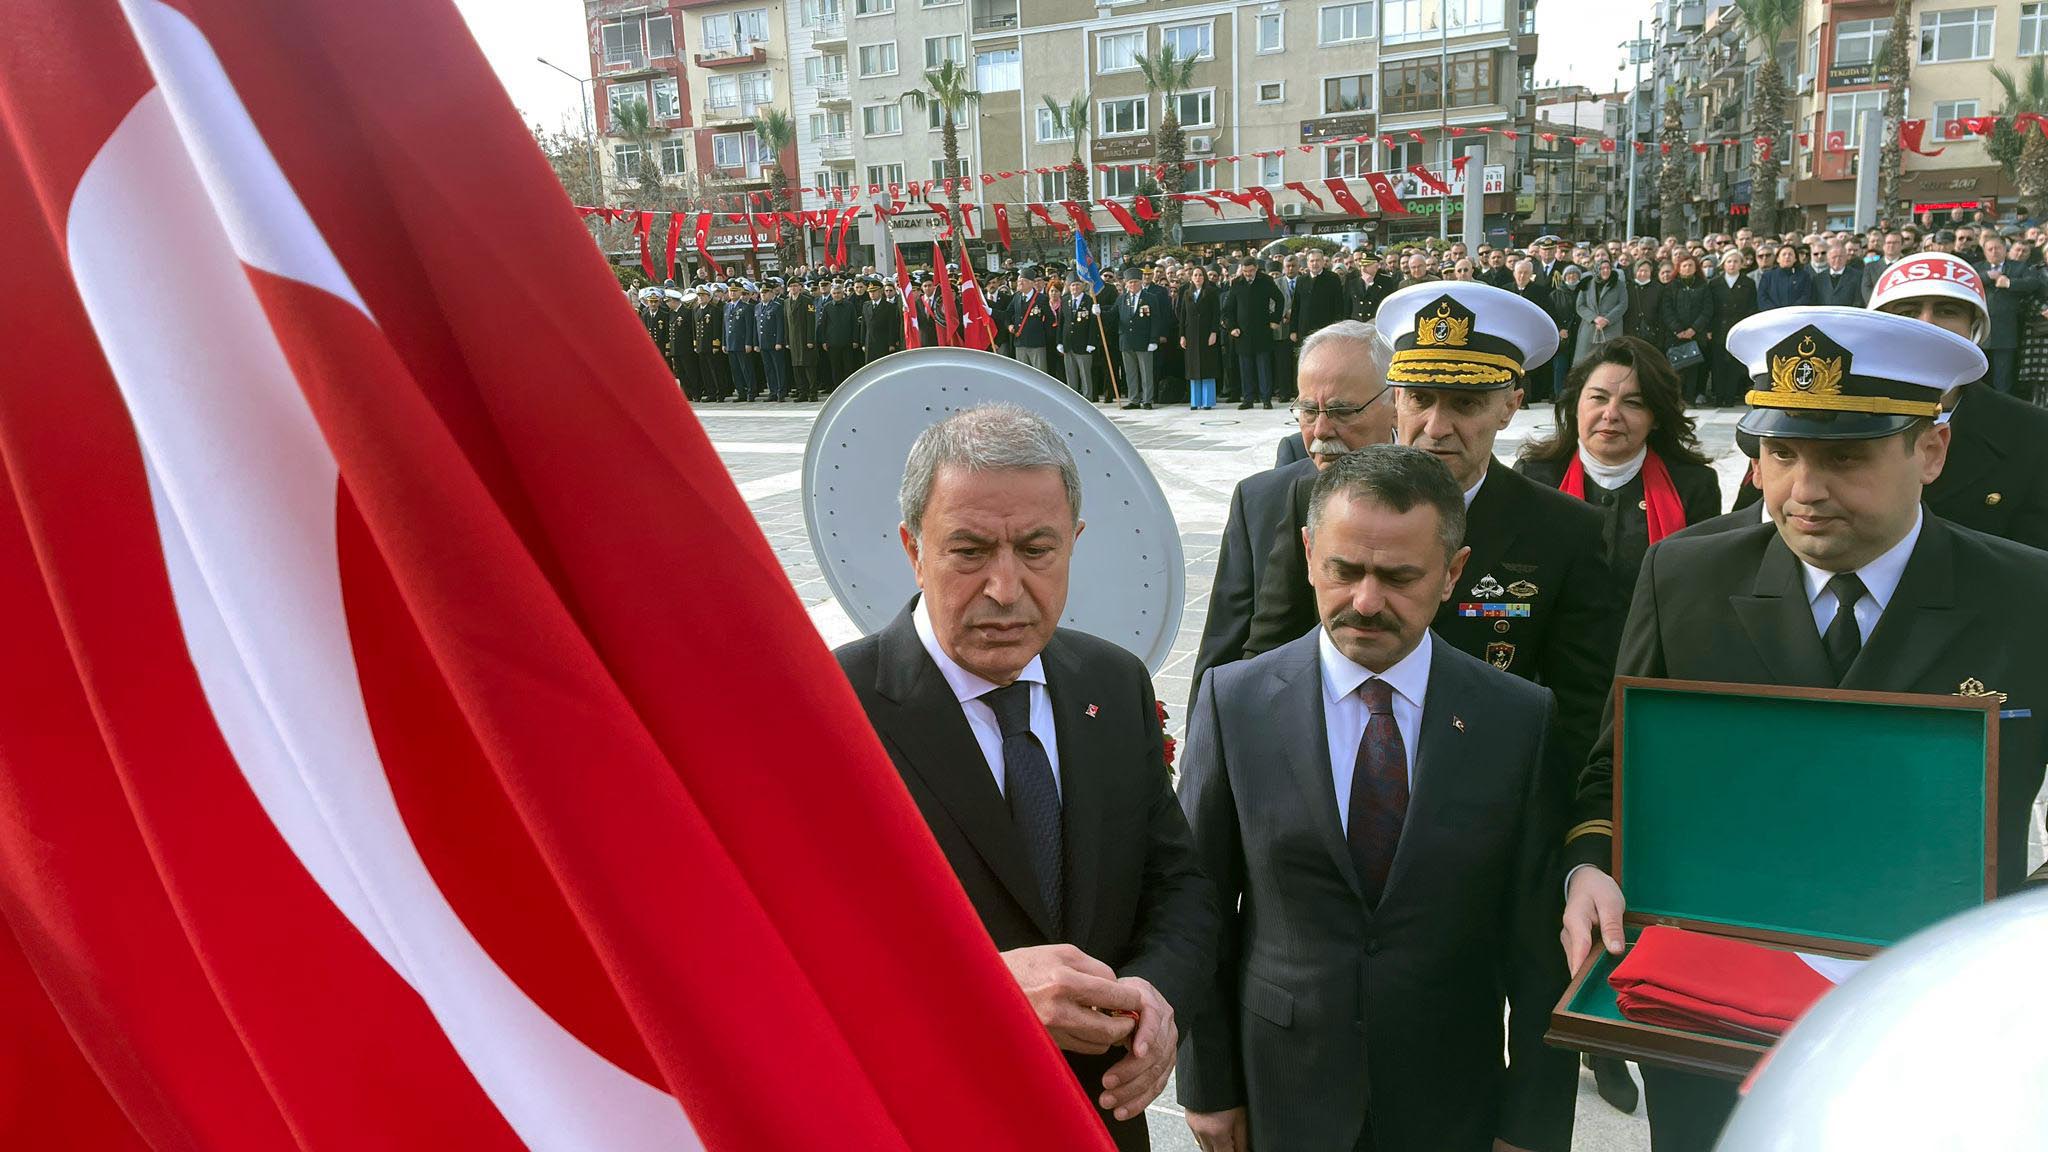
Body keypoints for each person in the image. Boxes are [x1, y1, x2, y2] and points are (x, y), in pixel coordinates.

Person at [1560, 307, 2048, 1152]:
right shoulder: (1685, 577)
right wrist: (1588, 868)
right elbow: (1615, 772)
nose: (1803, 490)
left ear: (1931, 451)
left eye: (1845, 458)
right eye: (1780, 454)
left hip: (1932, 1023)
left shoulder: (2026, 595)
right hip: (1714, 1016)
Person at [833, 405, 1218, 1152]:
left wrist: (1154, 994)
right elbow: (797, 950)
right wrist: (986, 992)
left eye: (1037, 550)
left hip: (1103, 1119)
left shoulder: (1113, 682)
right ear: (914, 549)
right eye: (970, 551)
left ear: (1074, 542)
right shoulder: (832, 712)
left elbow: (1177, 883)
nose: (1006, 589)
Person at [1178, 444, 1578, 1152]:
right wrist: (1208, 1084)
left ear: (1452, 573)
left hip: (1450, 1103)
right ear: (1309, 555)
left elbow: (1539, 951)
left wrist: (1532, 1125)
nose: (1366, 602)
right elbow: (1198, 905)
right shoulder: (1234, 703)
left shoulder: (1517, 719)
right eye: (1345, 570)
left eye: (1398, 577)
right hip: (1281, 1092)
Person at [1243, 283, 1623, 786]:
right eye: (1421, 399)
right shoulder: (1321, 500)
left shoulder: (1563, 530)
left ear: (1510, 406)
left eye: (1465, 404)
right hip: (1331, 781)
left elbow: (1582, 711)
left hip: (1488, 788)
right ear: (1396, 398)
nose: (1436, 426)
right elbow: (1267, 659)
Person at [1191, 321, 1396, 716]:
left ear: (1394, 404)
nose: (1321, 430)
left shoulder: (1438, 497)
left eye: (1342, 411)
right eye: (1308, 410)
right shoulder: (1258, 502)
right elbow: (1221, 657)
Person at [1516, 337, 1722, 587]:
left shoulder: (1693, 486)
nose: (1611, 414)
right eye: (1598, 398)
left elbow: (1702, 589)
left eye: (1633, 403)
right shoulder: (1532, 479)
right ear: (1575, 404)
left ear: (1656, 417)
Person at [1975, 233, 2040, 394]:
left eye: (1998, 248)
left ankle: (2002, 407)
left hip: (2006, 331)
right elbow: (1966, 281)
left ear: (2005, 250)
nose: (1994, 252)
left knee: (2003, 379)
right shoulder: (1977, 268)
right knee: (1977, 377)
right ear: (1984, 251)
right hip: (1981, 331)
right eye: (1990, 249)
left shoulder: (2019, 267)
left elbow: (2033, 283)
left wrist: (2010, 283)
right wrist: (1987, 276)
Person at [1224, 256, 1285, 411]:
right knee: (1246, 369)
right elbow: (1228, 309)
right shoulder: (1236, 283)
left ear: (1256, 268)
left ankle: (1266, 399)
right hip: (1243, 333)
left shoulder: (1266, 281)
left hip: (1262, 331)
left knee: (1264, 367)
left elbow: (1280, 299)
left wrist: (1275, 319)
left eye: (1251, 271)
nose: (1248, 274)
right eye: (1245, 271)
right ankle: (1248, 399)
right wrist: (1232, 327)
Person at [1706, 250, 1758, 406]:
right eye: (1729, 261)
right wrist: (1709, 328)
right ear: (1723, 264)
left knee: (1734, 365)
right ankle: (1719, 397)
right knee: (1718, 364)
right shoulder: (1714, 283)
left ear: (1741, 264)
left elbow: (1752, 307)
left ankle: (1729, 397)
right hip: (1719, 328)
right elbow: (1709, 308)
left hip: (1738, 328)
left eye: (1736, 261)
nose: (1732, 264)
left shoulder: (1748, 283)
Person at [1658, 254, 1712, 404]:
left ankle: (1690, 399)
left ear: (1696, 268)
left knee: (1693, 369)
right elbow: (1667, 310)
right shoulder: (1671, 287)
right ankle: (1675, 400)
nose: (1687, 268)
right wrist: (1678, 330)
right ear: (1679, 268)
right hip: (1675, 336)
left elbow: (1707, 310)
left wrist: (1693, 329)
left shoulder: (1703, 286)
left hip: (1695, 335)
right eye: (1684, 266)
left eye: (1690, 265)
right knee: (1675, 369)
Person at [1117, 266, 1170, 410]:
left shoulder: (1150, 298)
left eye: (1135, 282)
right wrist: (1099, 312)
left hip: (1144, 340)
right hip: (1127, 341)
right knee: (1130, 372)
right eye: (1130, 282)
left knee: (1146, 372)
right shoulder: (1122, 299)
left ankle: (1147, 399)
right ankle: (1134, 399)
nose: (1133, 285)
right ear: (1126, 284)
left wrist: (1154, 339)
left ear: (1141, 282)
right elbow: (1113, 314)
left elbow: (1155, 320)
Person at [1180, 265, 1222, 411]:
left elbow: (1216, 314)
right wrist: (1182, 335)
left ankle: (1207, 401)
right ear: (1191, 278)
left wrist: (1214, 332)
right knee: (1193, 368)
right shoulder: (1187, 293)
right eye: (1195, 275)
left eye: (1200, 275)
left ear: (1204, 277)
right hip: (1191, 334)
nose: (1198, 278)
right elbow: (1182, 315)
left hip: (1206, 333)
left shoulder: (1211, 292)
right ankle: (1195, 401)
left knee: (1207, 366)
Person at [1543, 264, 1585, 405]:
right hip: (1563, 337)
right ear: (1564, 277)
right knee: (1560, 367)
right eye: (1569, 274)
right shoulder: (1555, 294)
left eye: (1575, 274)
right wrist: (1560, 328)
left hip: (1580, 336)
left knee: (1578, 367)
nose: (1572, 277)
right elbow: (1550, 315)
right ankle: (1559, 396)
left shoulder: (1584, 292)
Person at [1291, 249, 1349, 345]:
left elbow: (1339, 305)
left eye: (1317, 260)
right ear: (1307, 263)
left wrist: (1336, 328)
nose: (1315, 263)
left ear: (1323, 262)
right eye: (1312, 261)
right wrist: (1293, 330)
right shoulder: (1301, 280)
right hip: (1304, 329)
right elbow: (1296, 306)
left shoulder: (1333, 278)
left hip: (1326, 329)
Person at [1058, 276, 1102, 400]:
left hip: (1083, 344)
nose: (1075, 287)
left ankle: (1087, 397)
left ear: (1082, 286)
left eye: (1077, 285)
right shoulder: (1065, 300)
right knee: (1070, 374)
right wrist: (1059, 341)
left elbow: (1093, 324)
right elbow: (1061, 322)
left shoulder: (1089, 300)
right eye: (1073, 285)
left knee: (1085, 374)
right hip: (1068, 344)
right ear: (1069, 287)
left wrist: (1091, 342)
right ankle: (1073, 399)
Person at [1010, 265, 1059, 375]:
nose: (1019, 283)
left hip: (1037, 344)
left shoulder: (1041, 299)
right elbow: (1008, 314)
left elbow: (1050, 319)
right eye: (1019, 280)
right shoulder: (1016, 297)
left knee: (1039, 375)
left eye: (1023, 281)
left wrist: (1042, 335)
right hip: (1020, 343)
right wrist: (1009, 325)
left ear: (1031, 283)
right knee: (1023, 375)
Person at [819, 277, 864, 392]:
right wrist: (823, 341)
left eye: (838, 293)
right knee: (835, 369)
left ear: (842, 293)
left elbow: (854, 324)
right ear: (831, 294)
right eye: (834, 293)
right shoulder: (827, 307)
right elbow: (823, 325)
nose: (837, 295)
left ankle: (849, 390)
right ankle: (838, 391)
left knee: (848, 368)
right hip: (832, 344)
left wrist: (855, 340)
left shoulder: (849, 306)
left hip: (847, 343)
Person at [755, 278, 791, 403]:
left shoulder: (777, 306)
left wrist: (779, 342)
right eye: (762, 292)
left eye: (766, 292)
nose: (763, 295)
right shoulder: (758, 307)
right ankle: (773, 391)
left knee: (778, 368)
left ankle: (781, 392)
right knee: (768, 369)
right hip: (763, 343)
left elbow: (780, 326)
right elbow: (756, 327)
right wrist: (756, 343)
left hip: (774, 342)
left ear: (771, 293)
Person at [724, 281, 759, 402]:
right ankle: (741, 392)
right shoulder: (726, 306)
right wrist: (724, 343)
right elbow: (724, 326)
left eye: (735, 291)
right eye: (730, 291)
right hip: (730, 343)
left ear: (740, 292)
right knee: (735, 370)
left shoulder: (746, 307)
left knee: (746, 369)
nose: (732, 293)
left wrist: (749, 342)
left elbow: (749, 327)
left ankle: (751, 392)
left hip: (742, 343)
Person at [1623, 259, 1669, 351]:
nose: (1643, 274)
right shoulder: (1627, 287)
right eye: (1640, 271)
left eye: (1646, 271)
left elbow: (1662, 313)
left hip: (1652, 333)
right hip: (1630, 332)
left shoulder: (1658, 288)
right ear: (1635, 272)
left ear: (1651, 272)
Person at [1755, 244, 1813, 311]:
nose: (1787, 256)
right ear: (1778, 259)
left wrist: (1792, 310)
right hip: (1773, 314)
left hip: (1797, 313)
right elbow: (1762, 298)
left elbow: (1806, 296)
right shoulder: (1767, 277)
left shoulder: (1804, 276)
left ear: (1795, 259)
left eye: (1790, 254)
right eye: (1784, 254)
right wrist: (1777, 311)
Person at [861, 274, 903, 363]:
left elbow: (892, 326)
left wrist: (891, 343)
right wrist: (863, 343)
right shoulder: (866, 305)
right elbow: (864, 325)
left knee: (883, 365)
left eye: (874, 291)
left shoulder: (889, 307)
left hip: (883, 342)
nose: (872, 294)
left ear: (880, 291)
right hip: (869, 342)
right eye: (870, 292)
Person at [1810, 242, 1866, 307]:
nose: (1837, 260)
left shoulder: (1858, 276)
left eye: (1840, 257)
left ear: (1846, 258)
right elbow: (1814, 302)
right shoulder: (1818, 279)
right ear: (1828, 259)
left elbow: (1859, 301)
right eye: (1834, 257)